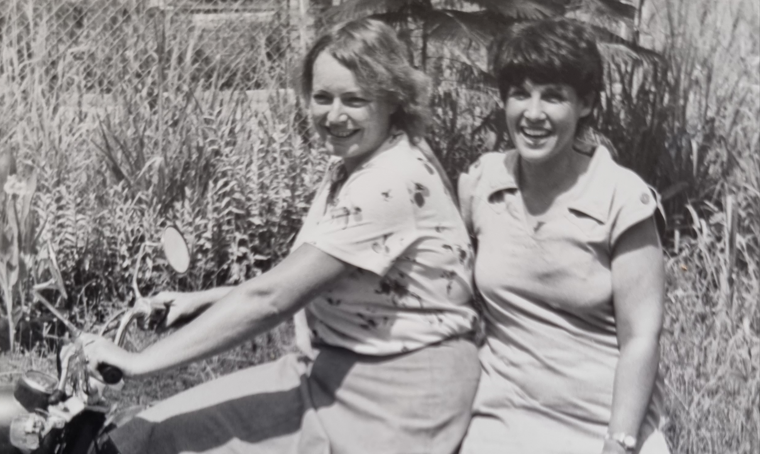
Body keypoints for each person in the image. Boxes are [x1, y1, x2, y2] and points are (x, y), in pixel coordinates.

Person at [82, 18, 480, 454]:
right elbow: (307, 277)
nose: (335, 115)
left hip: (399, 397)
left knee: (150, 442)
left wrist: (139, 363)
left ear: (393, 100)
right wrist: (201, 300)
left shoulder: (387, 182)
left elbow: (271, 300)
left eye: (355, 99)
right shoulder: (357, 166)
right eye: (323, 97)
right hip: (332, 370)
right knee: (147, 435)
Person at [457, 18, 670, 454]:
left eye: (553, 97)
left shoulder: (622, 198)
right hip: (502, 420)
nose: (533, 114)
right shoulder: (481, 183)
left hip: (605, 423)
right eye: (521, 94)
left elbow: (641, 339)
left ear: (586, 103)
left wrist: (620, 442)